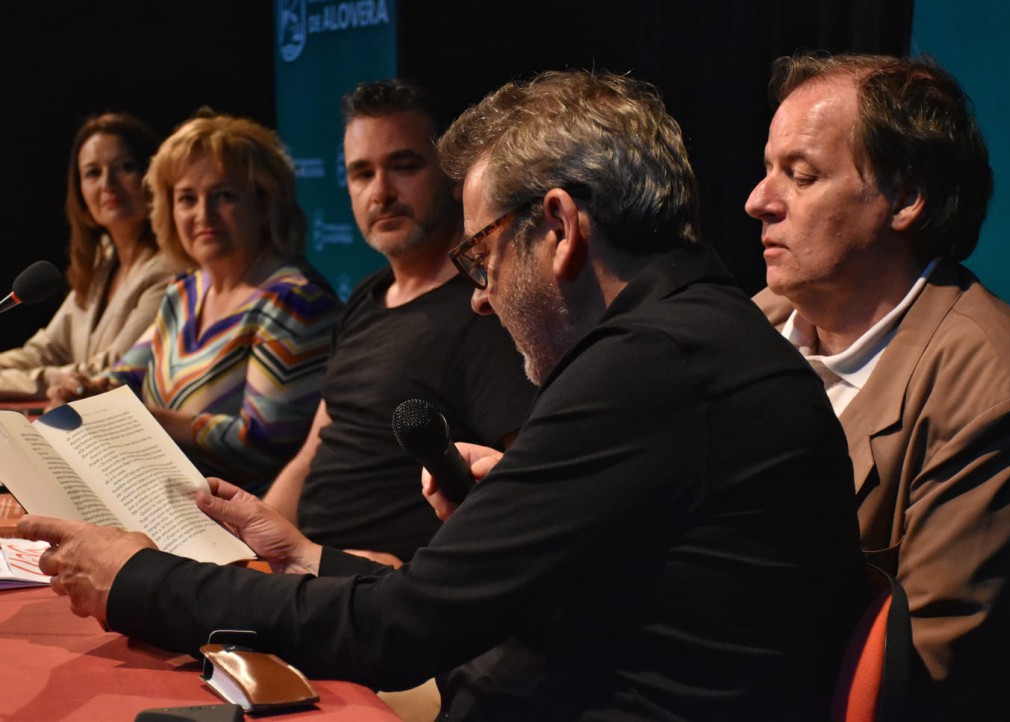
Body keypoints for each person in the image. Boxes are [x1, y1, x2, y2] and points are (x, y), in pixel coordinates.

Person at [20, 71, 865, 721]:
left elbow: (402, 633)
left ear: (561, 229)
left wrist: (140, 581)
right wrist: (311, 558)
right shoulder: (686, 339)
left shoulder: (652, 367)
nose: (478, 294)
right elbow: (486, 602)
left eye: (484, 255)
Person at [746, 52, 1010, 721]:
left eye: (801, 174)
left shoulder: (993, 386)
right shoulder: (750, 324)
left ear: (904, 198)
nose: (758, 200)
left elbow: (923, 677)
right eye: (768, 168)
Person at [261, 79, 534, 564]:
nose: (381, 192)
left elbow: (523, 492)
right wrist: (246, 541)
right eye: (362, 173)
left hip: (383, 587)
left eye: (403, 167)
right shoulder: (367, 297)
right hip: (305, 567)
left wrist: (405, 574)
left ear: (453, 176)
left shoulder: (484, 307)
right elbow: (310, 455)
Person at [48, 113, 341, 495]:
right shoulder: (184, 291)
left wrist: (146, 421)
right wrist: (83, 391)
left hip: (242, 527)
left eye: (225, 196)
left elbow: (262, 443)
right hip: (159, 501)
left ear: (265, 203)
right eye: (187, 198)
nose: (204, 215)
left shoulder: (294, 301)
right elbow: (124, 380)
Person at [0, 112, 175, 399]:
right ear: (80, 191)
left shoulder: (169, 270)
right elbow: (46, 350)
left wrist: (13, 380)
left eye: (125, 167)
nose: (108, 184)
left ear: (151, 175)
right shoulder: (101, 262)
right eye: (93, 172)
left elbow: (106, 371)